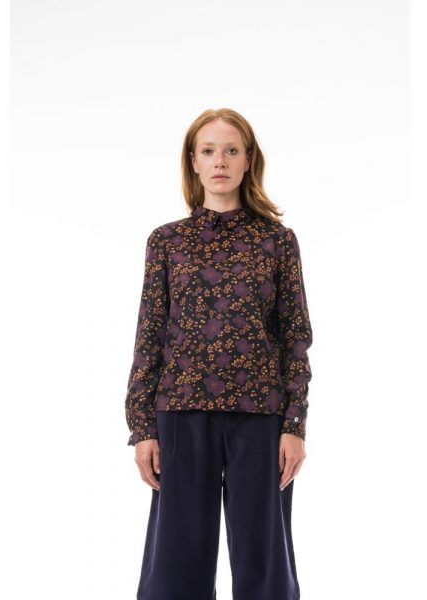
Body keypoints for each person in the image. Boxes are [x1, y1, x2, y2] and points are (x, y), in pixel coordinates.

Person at [124, 107, 313, 600]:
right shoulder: (167, 241)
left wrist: (294, 425)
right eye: (208, 151)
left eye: (231, 150)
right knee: (175, 564)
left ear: (249, 160)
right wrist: (142, 428)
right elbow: (149, 336)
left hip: (260, 415)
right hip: (181, 412)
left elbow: (295, 337)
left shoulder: (277, 242)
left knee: (265, 560)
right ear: (193, 161)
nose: (220, 161)